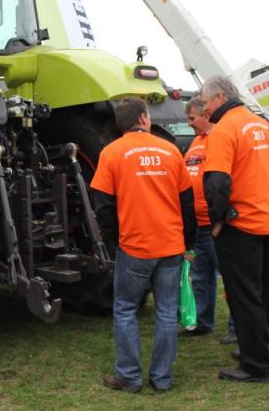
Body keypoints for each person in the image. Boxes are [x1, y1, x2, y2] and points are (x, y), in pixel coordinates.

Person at [91, 97, 196, 393]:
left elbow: (102, 206)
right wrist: (188, 240)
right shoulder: (171, 151)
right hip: (171, 246)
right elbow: (187, 202)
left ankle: (129, 376)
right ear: (144, 118)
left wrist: (116, 238)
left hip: (135, 246)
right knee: (166, 311)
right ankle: (162, 378)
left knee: (124, 309)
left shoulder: (111, 153)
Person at [200, 76, 269, 383]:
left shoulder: (224, 130)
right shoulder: (261, 125)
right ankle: (254, 348)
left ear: (220, 97)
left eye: (206, 103)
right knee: (259, 293)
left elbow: (217, 182)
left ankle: (256, 366)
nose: (205, 109)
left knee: (243, 295)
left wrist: (218, 220)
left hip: (241, 224)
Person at [179, 96, 236, 343]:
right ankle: (202, 322)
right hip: (198, 224)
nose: (189, 123)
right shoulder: (196, 142)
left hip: (216, 224)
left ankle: (237, 327)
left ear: (206, 114)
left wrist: (219, 217)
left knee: (232, 278)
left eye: (192, 118)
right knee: (201, 277)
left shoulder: (219, 138)